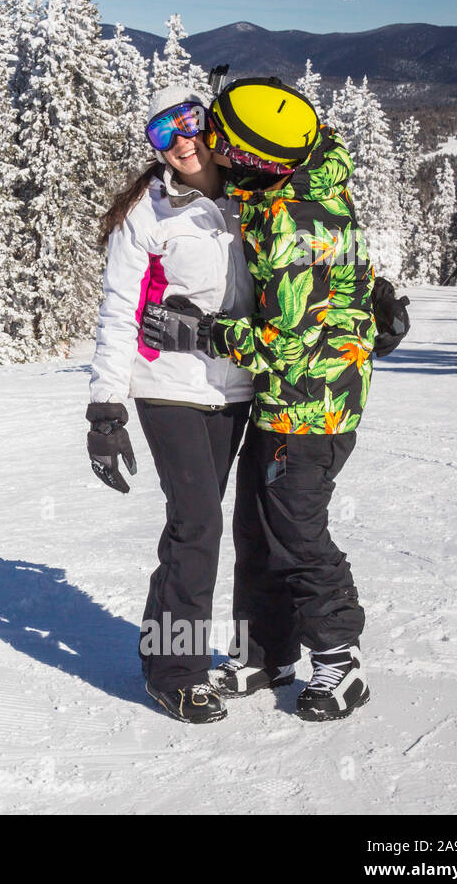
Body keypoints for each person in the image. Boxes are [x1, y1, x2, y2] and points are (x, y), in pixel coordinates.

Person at [140, 76, 406, 721]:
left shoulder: (292, 221)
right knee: (257, 526)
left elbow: (284, 343)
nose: (214, 150)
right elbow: (335, 275)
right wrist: (367, 302)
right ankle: (266, 652)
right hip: (285, 398)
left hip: (312, 404)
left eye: (224, 144)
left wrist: (200, 331)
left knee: (296, 532)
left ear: (258, 161)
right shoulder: (292, 178)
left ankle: (340, 660)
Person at [86, 86, 255, 723]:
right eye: (165, 134)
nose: (182, 141)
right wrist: (105, 410)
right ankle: (177, 673)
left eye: (188, 124)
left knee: (197, 525)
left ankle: (162, 647)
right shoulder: (147, 212)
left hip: (237, 386)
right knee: (199, 526)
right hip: (167, 385)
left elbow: (308, 255)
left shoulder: (251, 192)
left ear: (209, 123)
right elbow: (118, 310)